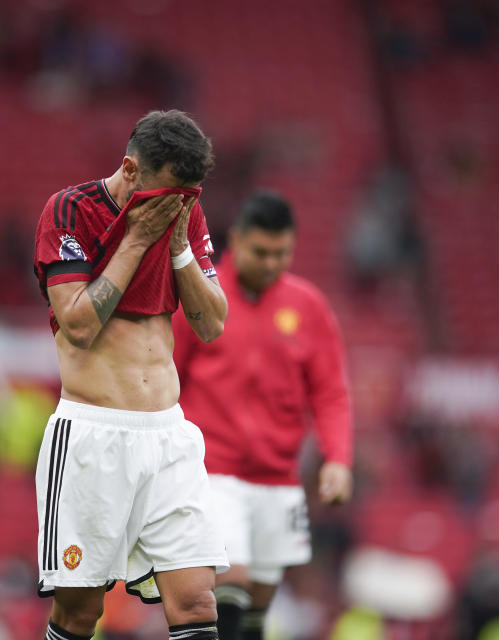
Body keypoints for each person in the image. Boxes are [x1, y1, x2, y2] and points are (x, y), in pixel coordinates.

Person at [31, 110, 229, 640]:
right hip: (93, 435)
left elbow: (211, 324)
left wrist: (180, 239)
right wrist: (138, 239)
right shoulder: (71, 210)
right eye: (168, 195)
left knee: (196, 601)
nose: (177, 207)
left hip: (169, 436)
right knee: (79, 613)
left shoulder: (184, 214)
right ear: (131, 169)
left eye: (188, 197)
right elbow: (76, 325)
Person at [172, 191, 354, 640]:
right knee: (230, 583)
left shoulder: (308, 306)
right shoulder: (204, 295)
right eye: (261, 252)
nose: (272, 263)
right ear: (235, 239)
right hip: (212, 469)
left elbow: (330, 392)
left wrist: (338, 459)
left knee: (257, 609)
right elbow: (169, 374)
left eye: (282, 253)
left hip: (278, 478)